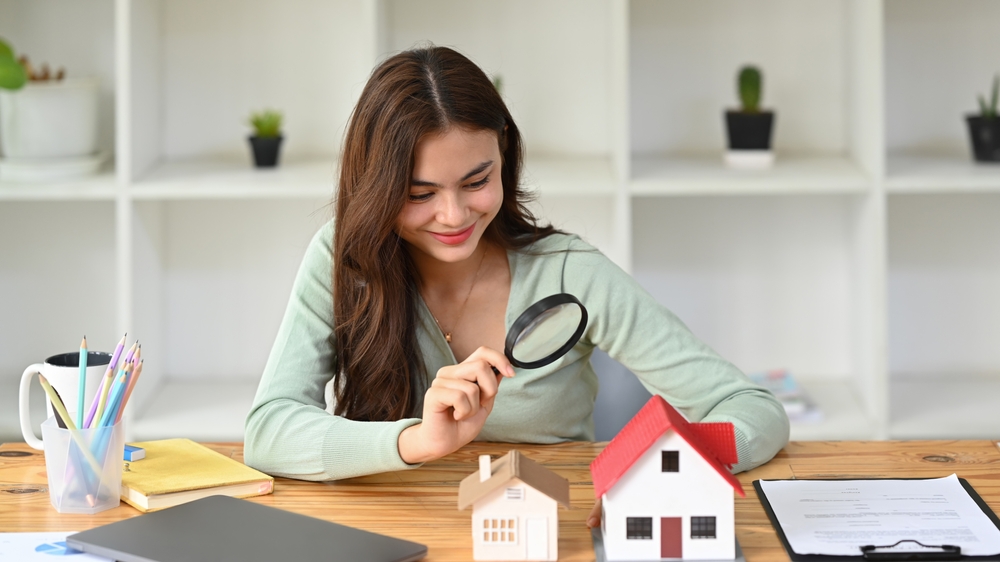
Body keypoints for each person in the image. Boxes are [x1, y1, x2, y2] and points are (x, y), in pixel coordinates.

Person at [244, 46, 789, 526]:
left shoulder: (571, 271)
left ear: (505, 149)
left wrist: (661, 468)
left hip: (550, 534)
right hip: (390, 528)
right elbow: (269, 431)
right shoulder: (343, 258)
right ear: (377, 186)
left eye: (477, 181)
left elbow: (752, 409)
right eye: (419, 193)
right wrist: (418, 441)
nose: (453, 215)